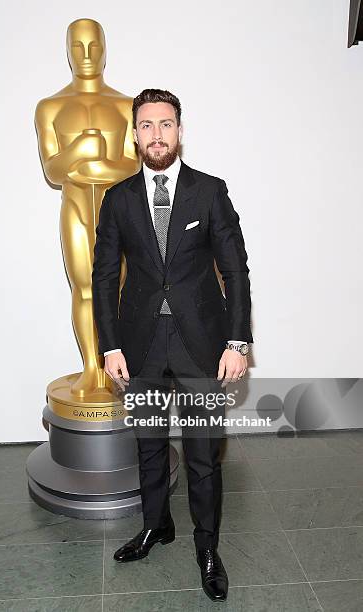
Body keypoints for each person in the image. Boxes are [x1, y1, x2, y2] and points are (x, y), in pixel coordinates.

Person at [92, 88, 253, 602]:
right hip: (140, 347)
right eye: (146, 125)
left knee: (204, 455)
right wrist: (110, 346)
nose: (156, 134)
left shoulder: (209, 192)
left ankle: (208, 548)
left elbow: (235, 271)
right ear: (134, 134)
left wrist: (237, 342)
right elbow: (102, 279)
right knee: (149, 447)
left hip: (202, 346)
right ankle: (155, 526)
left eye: (165, 124)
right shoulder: (117, 199)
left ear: (180, 131)